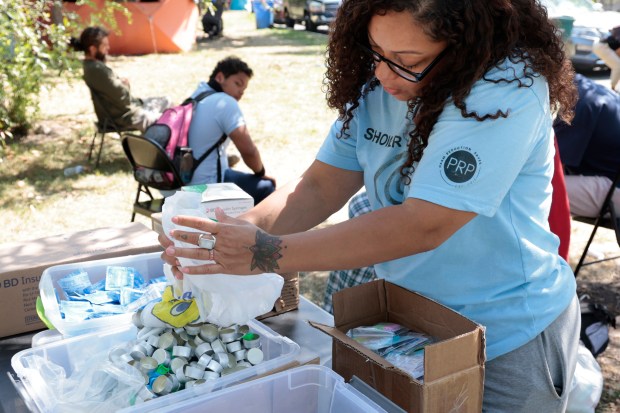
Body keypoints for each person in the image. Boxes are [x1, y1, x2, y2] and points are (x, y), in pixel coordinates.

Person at [160, 1, 580, 410]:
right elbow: (319, 187)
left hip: (507, 336)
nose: (382, 73)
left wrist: (265, 252)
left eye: (405, 59)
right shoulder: (378, 85)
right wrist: (221, 239)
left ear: (467, 46)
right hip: (409, 320)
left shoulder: (506, 87)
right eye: (376, 52)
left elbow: (424, 224)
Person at [187, 56, 276, 204]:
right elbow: (249, 151)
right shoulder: (225, 102)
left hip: (182, 180)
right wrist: (261, 173)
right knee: (267, 187)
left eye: (244, 88)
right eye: (238, 83)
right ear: (220, 77)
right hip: (206, 187)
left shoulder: (196, 96)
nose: (241, 92)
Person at [70, 27, 171, 132]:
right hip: (126, 117)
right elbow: (122, 96)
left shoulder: (92, 67)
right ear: (92, 49)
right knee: (171, 119)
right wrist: (125, 85)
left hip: (127, 110)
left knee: (167, 102)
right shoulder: (96, 69)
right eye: (104, 45)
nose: (108, 48)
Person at [554, 73, 620, 218]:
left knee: (531, 188)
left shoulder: (575, 101)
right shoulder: (581, 87)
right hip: (610, 178)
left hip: (615, 187)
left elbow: (554, 166)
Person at [592, 26, 620, 92]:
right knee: (618, 66)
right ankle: (612, 89)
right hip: (602, 46)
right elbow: (618, 51)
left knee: (617, 65)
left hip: (600, 45)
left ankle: (613, 87)